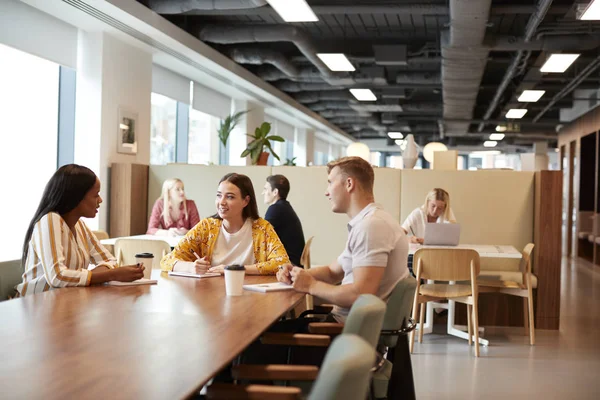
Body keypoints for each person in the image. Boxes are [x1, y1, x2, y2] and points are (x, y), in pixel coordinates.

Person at [277, 156, 409, 322]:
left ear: (349, 184)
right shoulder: (368, 222)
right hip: (344, 325)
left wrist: (311, 285)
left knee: (260, 340)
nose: (327, 191)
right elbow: (333, 273)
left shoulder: (371, 226)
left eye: (330, 182)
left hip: (344, 332)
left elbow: (360, 295)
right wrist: (297, 275)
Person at [16, 164, 145, 297]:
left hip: (65, 300)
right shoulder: (50, 220)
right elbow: (58, 276)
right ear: (76, 197)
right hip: (37, 305)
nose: (100, 200)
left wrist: (97, 275)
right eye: (96, 195)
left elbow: (110, 260)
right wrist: (110, 275)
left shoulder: (80, 225)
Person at [160, 173, 289, 275]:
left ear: (246, 201)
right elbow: (166, 261)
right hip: (211, 295)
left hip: (250, 295)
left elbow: (282, 262)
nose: (221, 202)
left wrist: (233, 269)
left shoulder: (261, 228)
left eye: (230, 197)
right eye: (219, 195)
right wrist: (191, 267)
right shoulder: (206, 227)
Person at [262, 175, 305, 266]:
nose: (263, 193)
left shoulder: (275, 209)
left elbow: (261, 237)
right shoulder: (284, 207)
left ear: (275, 192)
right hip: (293, 262)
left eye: (265, 189)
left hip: (289, 265)